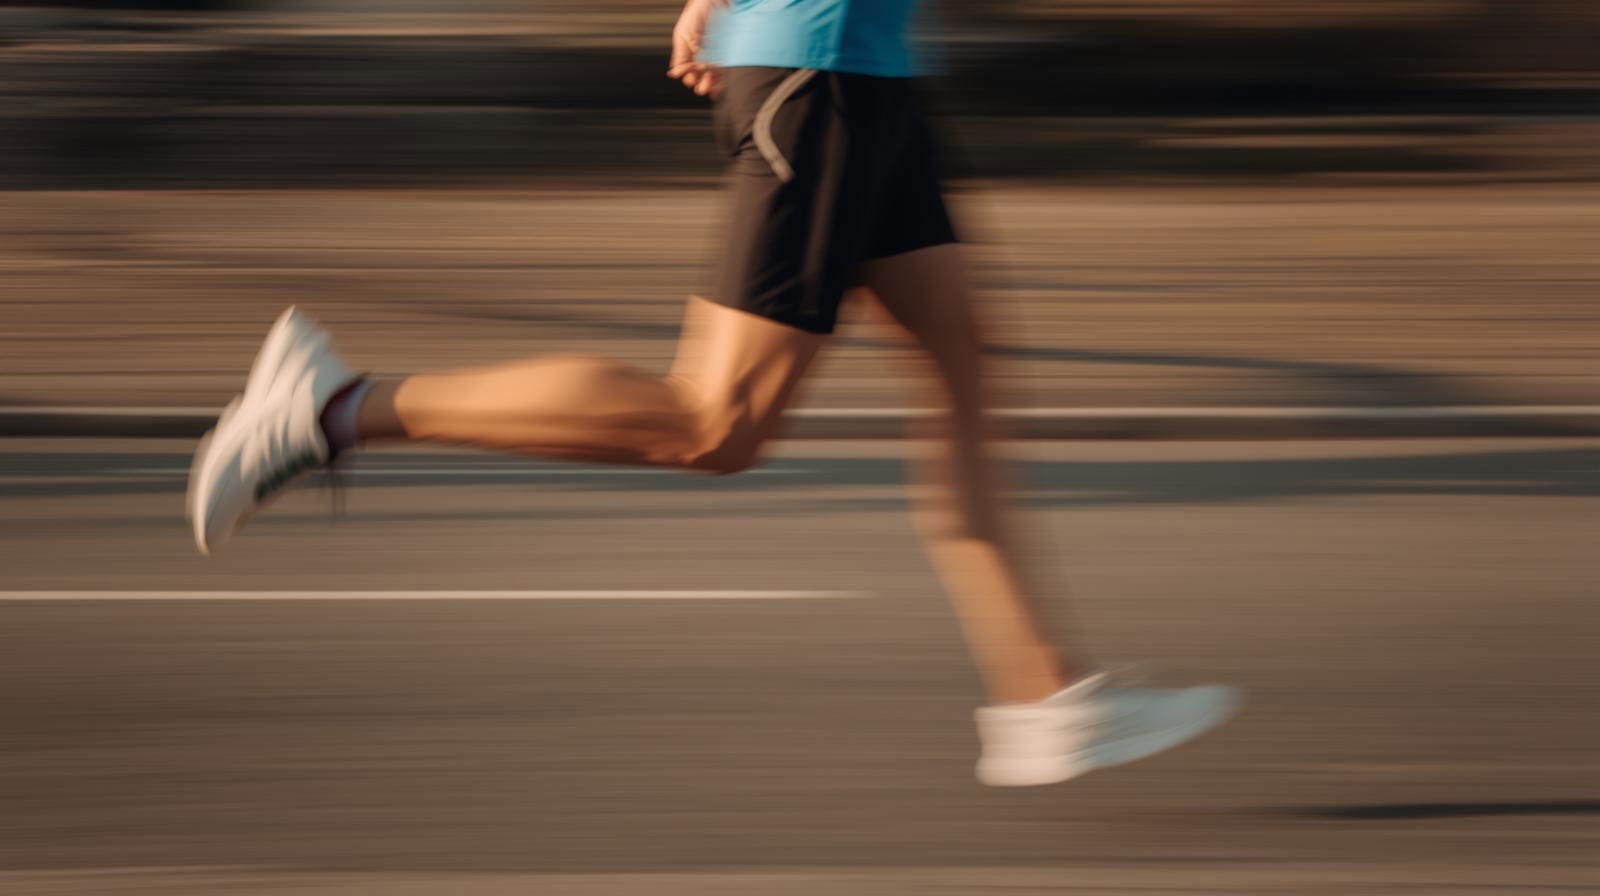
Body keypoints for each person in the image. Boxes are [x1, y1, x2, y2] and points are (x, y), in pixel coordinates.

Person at [187, 0, 1236, 787]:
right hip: (820, 72)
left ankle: (1040, 691)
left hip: (867, 66)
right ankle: (333, 409)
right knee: (714, 421)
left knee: (963, 364)